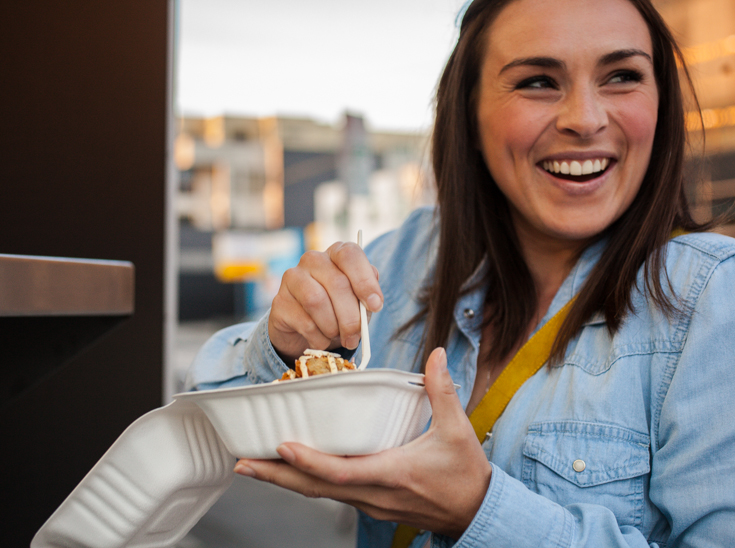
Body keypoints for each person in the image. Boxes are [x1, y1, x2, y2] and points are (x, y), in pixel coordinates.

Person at [185, 0, 735, 546]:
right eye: (538, 81)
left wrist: (480, 511)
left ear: (662, 104)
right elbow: (201, 411)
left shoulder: (711, 296)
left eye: (622, 76)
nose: (586, 119)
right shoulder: (405, 258)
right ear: (469, 114)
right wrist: (284, 347)